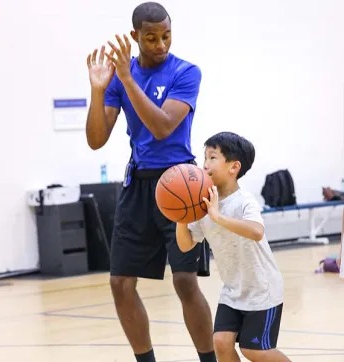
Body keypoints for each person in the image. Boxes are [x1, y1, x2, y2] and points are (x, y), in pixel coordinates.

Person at [85, 2, 216, 362]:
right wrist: (99, 90)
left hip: (181, 183)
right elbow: (96, 139)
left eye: (166, 36)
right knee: (120, 283)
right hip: (138, 186)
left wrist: (127, 79)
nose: (161, 45)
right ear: (135, 37)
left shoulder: (186, 72)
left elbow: (161, 127)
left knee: (185, 281)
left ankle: (209, 360)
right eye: (152, 38)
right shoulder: (118, 77)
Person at [176, 132, 292, 362]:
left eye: (212, 157)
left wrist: (218, 217)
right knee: (220, 342)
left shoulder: (244, 201)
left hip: (262, 290)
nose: (205, 165)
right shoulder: (204, 205)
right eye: (204, 158)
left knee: (254, 350)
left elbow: (256, 231)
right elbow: (186, 245)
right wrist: (181, 216)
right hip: (233, 290)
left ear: (233, 167)